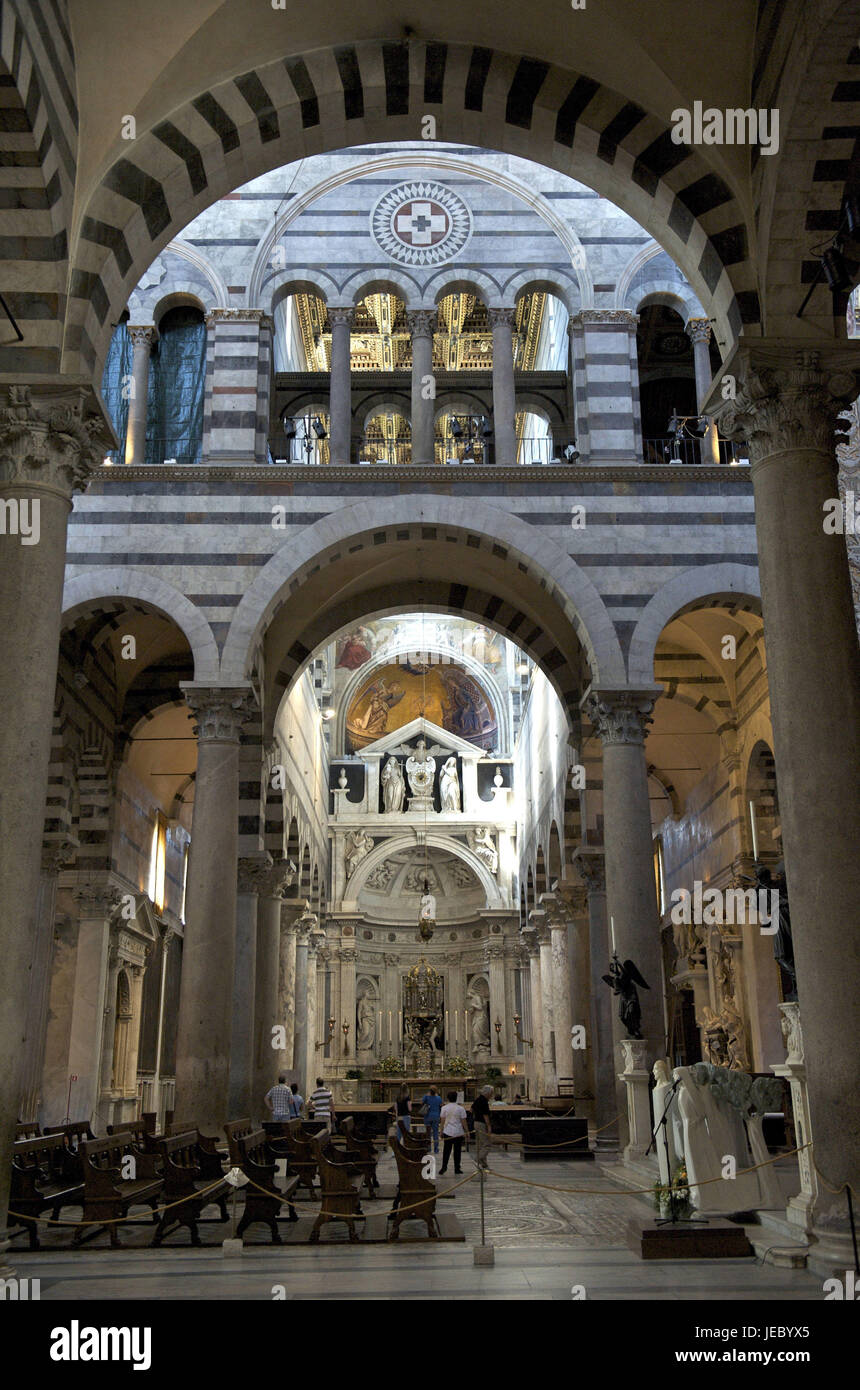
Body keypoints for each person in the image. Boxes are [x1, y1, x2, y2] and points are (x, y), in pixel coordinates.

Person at [439, 1091, 468, 1174]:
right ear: (456, 1098)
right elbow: (464, 1121)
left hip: (448, 1131)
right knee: (457, 1151)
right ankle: (457, 1168)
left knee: (446, 1150)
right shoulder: (460, 1108)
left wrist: (441, 1131)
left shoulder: (444, 1108)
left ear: (448, 1098)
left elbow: (442, 1121)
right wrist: (467, 1131)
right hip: (458, 1132)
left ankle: (444, 1167)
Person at [472, 1084, 494, 1170]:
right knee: (487, 1144)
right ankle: (477, 1159)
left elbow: (471, 1109)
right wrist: (489, 1126)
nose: (491, 1095)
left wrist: (476, 1116)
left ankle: (484, 1165)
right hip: (482, 1123)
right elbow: (486, 1115)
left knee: (480, 1145)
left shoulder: (477, 1099)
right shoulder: (484, 1101)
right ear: (487, 1093)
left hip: (476, 1122)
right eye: (491, 1093)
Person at [421, 1084, 442, 1154]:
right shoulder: (438, 1098)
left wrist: (427, 1095)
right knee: (436, 1133)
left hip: (427, 1116)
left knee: (428, 1133)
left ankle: (428, 1148)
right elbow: (441, 1105)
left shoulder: (426, 1097)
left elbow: (422, 1103)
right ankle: (436, 1149)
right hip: (436, 1116)